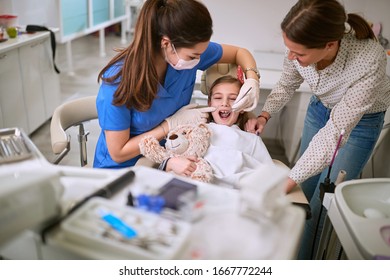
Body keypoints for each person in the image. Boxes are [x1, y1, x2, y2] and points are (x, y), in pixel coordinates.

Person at [245, 0, 390, 259]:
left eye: (299, 54)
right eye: (288, 49)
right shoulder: (299, 47)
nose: (291, 57)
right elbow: (287, 82)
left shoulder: (369, 59)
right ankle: (286, 252)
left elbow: (335, 132)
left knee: (323, 204)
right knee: (303, 189)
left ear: (329, 45)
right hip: (320, 108)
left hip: (359, 123)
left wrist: (285, 182)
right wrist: (265, 114)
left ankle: (304, 264)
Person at [93, 0, 260, 169]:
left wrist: (252, 79)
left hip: (171, 158)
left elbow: (240, 53)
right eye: (193, 56)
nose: (198, 61)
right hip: (123, 170)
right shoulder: (118, 82)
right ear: (166, 44)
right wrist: (168, 126)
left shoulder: (188, 54)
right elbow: (118, 152)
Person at [163, 75, 274, 187]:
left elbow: (269, 176)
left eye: (233, 98)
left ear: (242, 107)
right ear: (210, 103)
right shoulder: (194, 132)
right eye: (218, 98)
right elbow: (169, 158)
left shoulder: (251, 139)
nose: (224, 103)